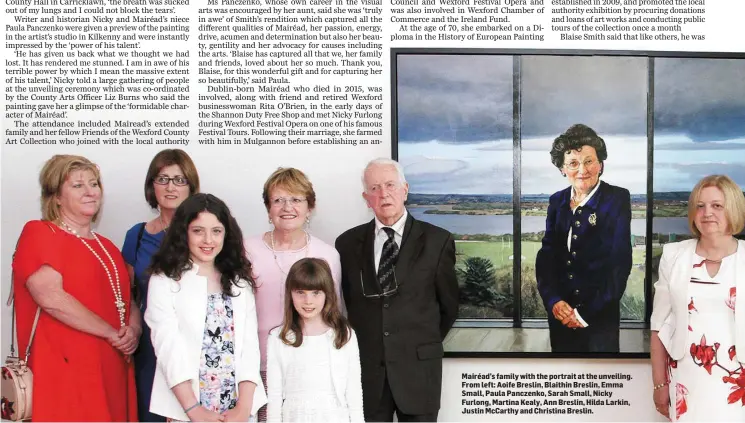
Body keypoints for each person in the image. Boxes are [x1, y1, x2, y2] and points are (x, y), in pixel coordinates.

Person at [11, 154, 137, 421]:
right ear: (56, 196)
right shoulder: (41, 233)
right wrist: (110, 332)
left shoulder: (107, 246)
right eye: (78, 185)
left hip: (110, 368)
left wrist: (133, 331)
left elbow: (128, 300)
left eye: (94, 184)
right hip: (64, 371)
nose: (90, 192)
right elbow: (51, 297)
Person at [335, 158, 459, 421]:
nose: (384, 194)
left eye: (390, 185)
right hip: (367, 374)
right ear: (366, 198)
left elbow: (448, 307)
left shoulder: (438, 241)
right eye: (375, 188)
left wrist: (415, 342)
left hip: (418, 372)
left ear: (405, 189)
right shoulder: (346, 244)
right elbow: (347, 303)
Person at [145, 193, 266, 422]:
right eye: (198, 230)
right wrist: (193, 410)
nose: (208, 240)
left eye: (216, 231)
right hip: (188, 409)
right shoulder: (165, 280)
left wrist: (243, 408)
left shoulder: (239, 281)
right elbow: (167, 347)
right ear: (184, 233)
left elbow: (250, 347)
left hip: (237, 410)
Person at [244, 167, 342, 422]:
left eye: (296, 199)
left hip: (309, 371)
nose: (287, 207)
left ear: (310, 207)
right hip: (257, 369)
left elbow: (334, 316)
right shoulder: (245, 250)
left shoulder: (327, 255)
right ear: (268, 209)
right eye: (278, 200)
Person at [650, 175, 745, 422]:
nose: (706, 213)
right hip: (687, 381)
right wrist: (659, 385)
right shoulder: (673, 256)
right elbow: (658, 326)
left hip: (738, 381)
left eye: (717, 206)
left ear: (733, 209)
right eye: (699, 206)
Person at [535, 123, 632, 353]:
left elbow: (620, 265)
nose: (582, 170)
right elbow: (546, 256)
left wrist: (584, 313)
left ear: (601, 164)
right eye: (573, 163)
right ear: (562, 169)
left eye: (589, 161)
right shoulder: (556, 202)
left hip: (599, 320)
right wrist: (553, 302)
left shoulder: (617, 199)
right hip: (560, 316)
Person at [122, 149, 200, 422]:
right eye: (163, 178)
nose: (170, 187)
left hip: (195, 349)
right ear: (151, 185)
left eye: (179, 180)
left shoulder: (205, 232)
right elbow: (128, 295)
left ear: (191, 186)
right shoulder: (137, 235)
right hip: (149, 350)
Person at [266, 258, 363, 422]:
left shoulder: (343, 334)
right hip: (295, 416)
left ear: (327, 294)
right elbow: (274, 397)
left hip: (334, 416)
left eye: (316, 293)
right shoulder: (279, 338)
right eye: (300, 292)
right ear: (290, 293)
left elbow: (353, 392)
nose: (308, 301)